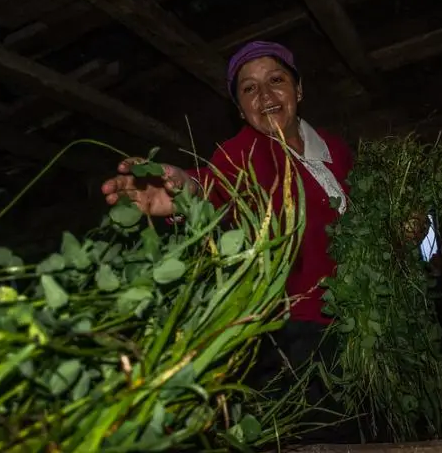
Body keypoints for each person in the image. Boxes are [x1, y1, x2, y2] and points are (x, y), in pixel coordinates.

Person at [102, 41, 361, 442]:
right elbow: (211, 185)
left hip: (360, 322)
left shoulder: (334, 149)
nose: (266, 96)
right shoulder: (239, 154)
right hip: (299, 336)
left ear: (299, 90)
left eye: (276, 81)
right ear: (241, 110)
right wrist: (180, 191)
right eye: (250, 89)